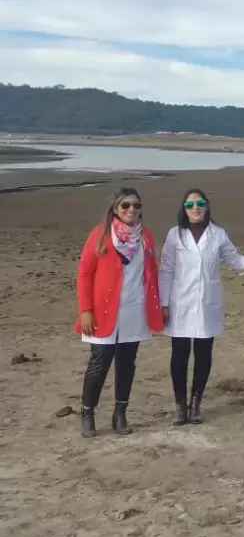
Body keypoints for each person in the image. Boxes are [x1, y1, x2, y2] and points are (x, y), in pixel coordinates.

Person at [159, 188, 244, 425]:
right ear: (184, 209)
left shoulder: (218, 234)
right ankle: (180, 405)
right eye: (191, 205)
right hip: (179, 302)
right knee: (180, 355)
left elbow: (236, 262)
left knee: (203, 354)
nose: (196, 208)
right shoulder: (175, 235)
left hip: (207, 303)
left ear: (207, 207)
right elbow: (165, 270)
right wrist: (163, 303)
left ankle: (196, 403)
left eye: (200, 203)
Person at [74, 186, 163, 438]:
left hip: (134, 311)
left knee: (127, 363)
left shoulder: (146, 236)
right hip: (102, 311)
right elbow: (84, 274)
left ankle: (120, 413)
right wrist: (85, 310)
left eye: (136, 205)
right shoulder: (100, 235)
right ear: (115, 208)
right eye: (125, 205)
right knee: (99, 361)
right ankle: (87, 412)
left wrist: (158, 306)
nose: (131, 210)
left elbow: (151, 273)